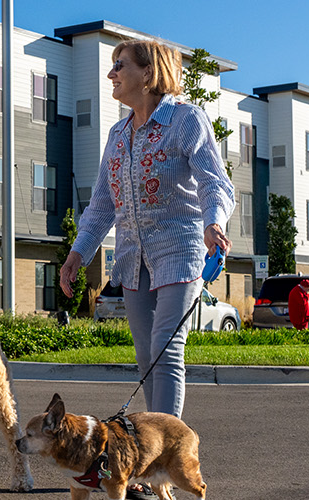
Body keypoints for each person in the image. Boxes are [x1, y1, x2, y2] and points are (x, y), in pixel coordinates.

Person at [59, 39, 234, 419]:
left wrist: (213, 222)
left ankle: (160, 463)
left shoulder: (186, 119)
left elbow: (214, 182)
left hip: (180, 249)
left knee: (166, 351)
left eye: (120, 65)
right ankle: (156, 457)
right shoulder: (117, 136)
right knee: (146, 359)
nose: (112, 74)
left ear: (149, 73)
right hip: (132, 258)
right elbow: (102, 204)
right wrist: (77, 255)